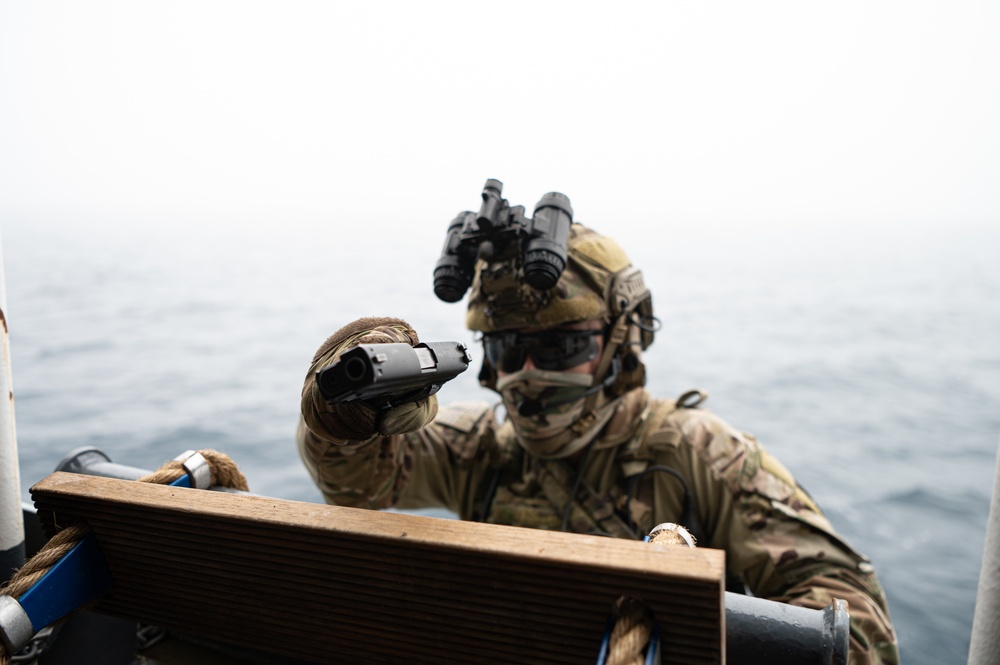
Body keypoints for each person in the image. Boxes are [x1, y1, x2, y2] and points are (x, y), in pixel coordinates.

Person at [296, 198, 898, 664]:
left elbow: (855, 623)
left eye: (559, 346)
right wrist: (343, 419)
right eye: (506, 349)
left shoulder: (699, 453)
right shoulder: (489, 447)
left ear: (620, 342)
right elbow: (359, 484)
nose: (527, 376)